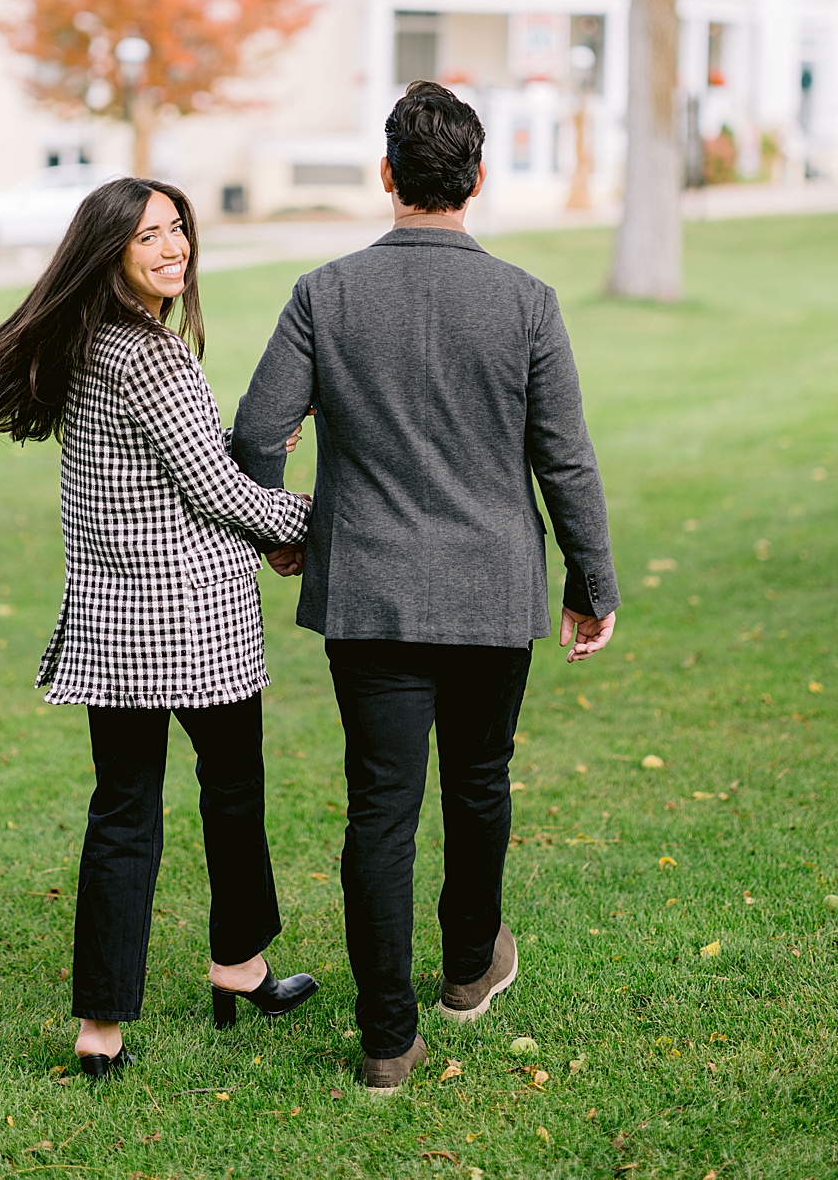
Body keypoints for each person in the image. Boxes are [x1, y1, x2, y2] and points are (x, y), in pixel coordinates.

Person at [232, 82, 619, 1095]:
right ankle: (463, 971)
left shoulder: (325, 294)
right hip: (492, 587)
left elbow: (252, 430)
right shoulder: (526, 301)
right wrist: (591, 580)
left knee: (380, 810)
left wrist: (284, 525)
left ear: (387, 176)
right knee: (479, 781)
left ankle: (385, 1040)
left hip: (369, 592)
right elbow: (564, 459)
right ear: (477, 180)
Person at [0, 176, 318, 1079]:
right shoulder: (156, 359)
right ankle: (239, 967)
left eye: (177, 229)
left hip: (113, 627)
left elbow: (169, 475)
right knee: (233, 795)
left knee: (124, 817)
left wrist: (242, 475)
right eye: (149, 237)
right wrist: (306, 523)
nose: (173, 247)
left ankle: (101, 1031)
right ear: (112, 254)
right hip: (197, 625)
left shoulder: (88, 347)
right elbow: (213, 492)